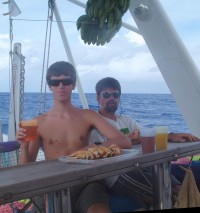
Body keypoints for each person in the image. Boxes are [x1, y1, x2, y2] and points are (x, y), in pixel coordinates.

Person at [16, 62, 132, 213]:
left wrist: (94, 146)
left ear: (74, 84)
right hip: (53, 184)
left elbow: (125, 141)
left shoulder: (88, 116)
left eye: (67, 81)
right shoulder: (38, 122)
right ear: (50, 86)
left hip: (87, 182)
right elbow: (26, 169)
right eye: (55, 82)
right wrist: (23, 147)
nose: (61, 86)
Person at [89, 77, 199, 208]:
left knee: (177, 186)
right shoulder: (95, 127)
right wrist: (128, 140)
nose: (111, 98)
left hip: (139, 165)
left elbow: (146, 134)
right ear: (97, 98)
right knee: (167, 193)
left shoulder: (126, 120)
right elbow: (99, 153)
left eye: (115, 94)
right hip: (116, 174)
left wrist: (171, 136)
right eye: (106, 95)